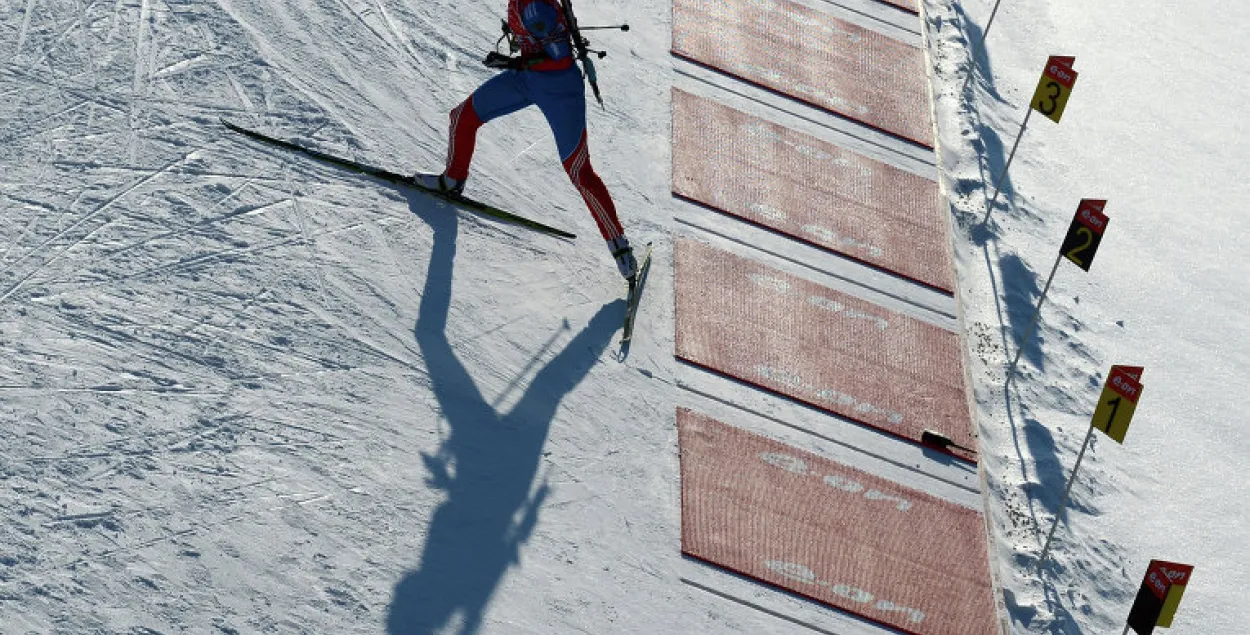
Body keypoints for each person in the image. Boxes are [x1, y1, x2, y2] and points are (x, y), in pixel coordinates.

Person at [414, 0, 637, 281]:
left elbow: (560, 56)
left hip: (559, 89)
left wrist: (512, 62)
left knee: (579, 171)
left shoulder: (534, 7)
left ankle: (619, 245)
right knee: (462, 117)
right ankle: (452, 180)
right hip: (526, 79)